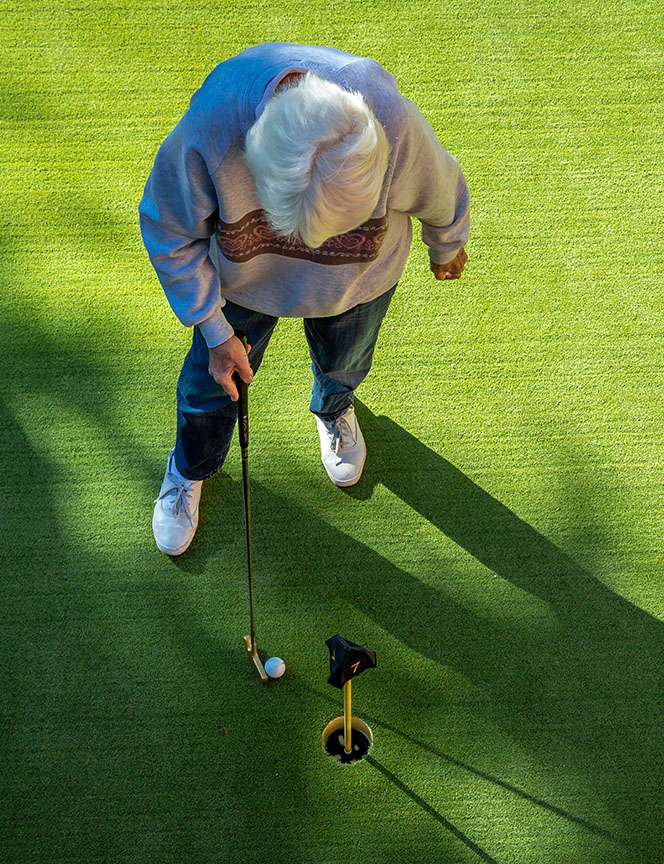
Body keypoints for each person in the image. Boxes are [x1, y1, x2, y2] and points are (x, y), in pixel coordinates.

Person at [139, 42, 469, 556]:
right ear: (254, 157)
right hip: (243, 287)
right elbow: (169, 231)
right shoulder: (214, 127)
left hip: (357, 283)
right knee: (210, 388)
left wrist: (446, 243)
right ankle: (190, 466)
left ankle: (334, 409)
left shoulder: (391, 119)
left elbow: (440, 187)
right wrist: (214, 326)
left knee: (345, 363)